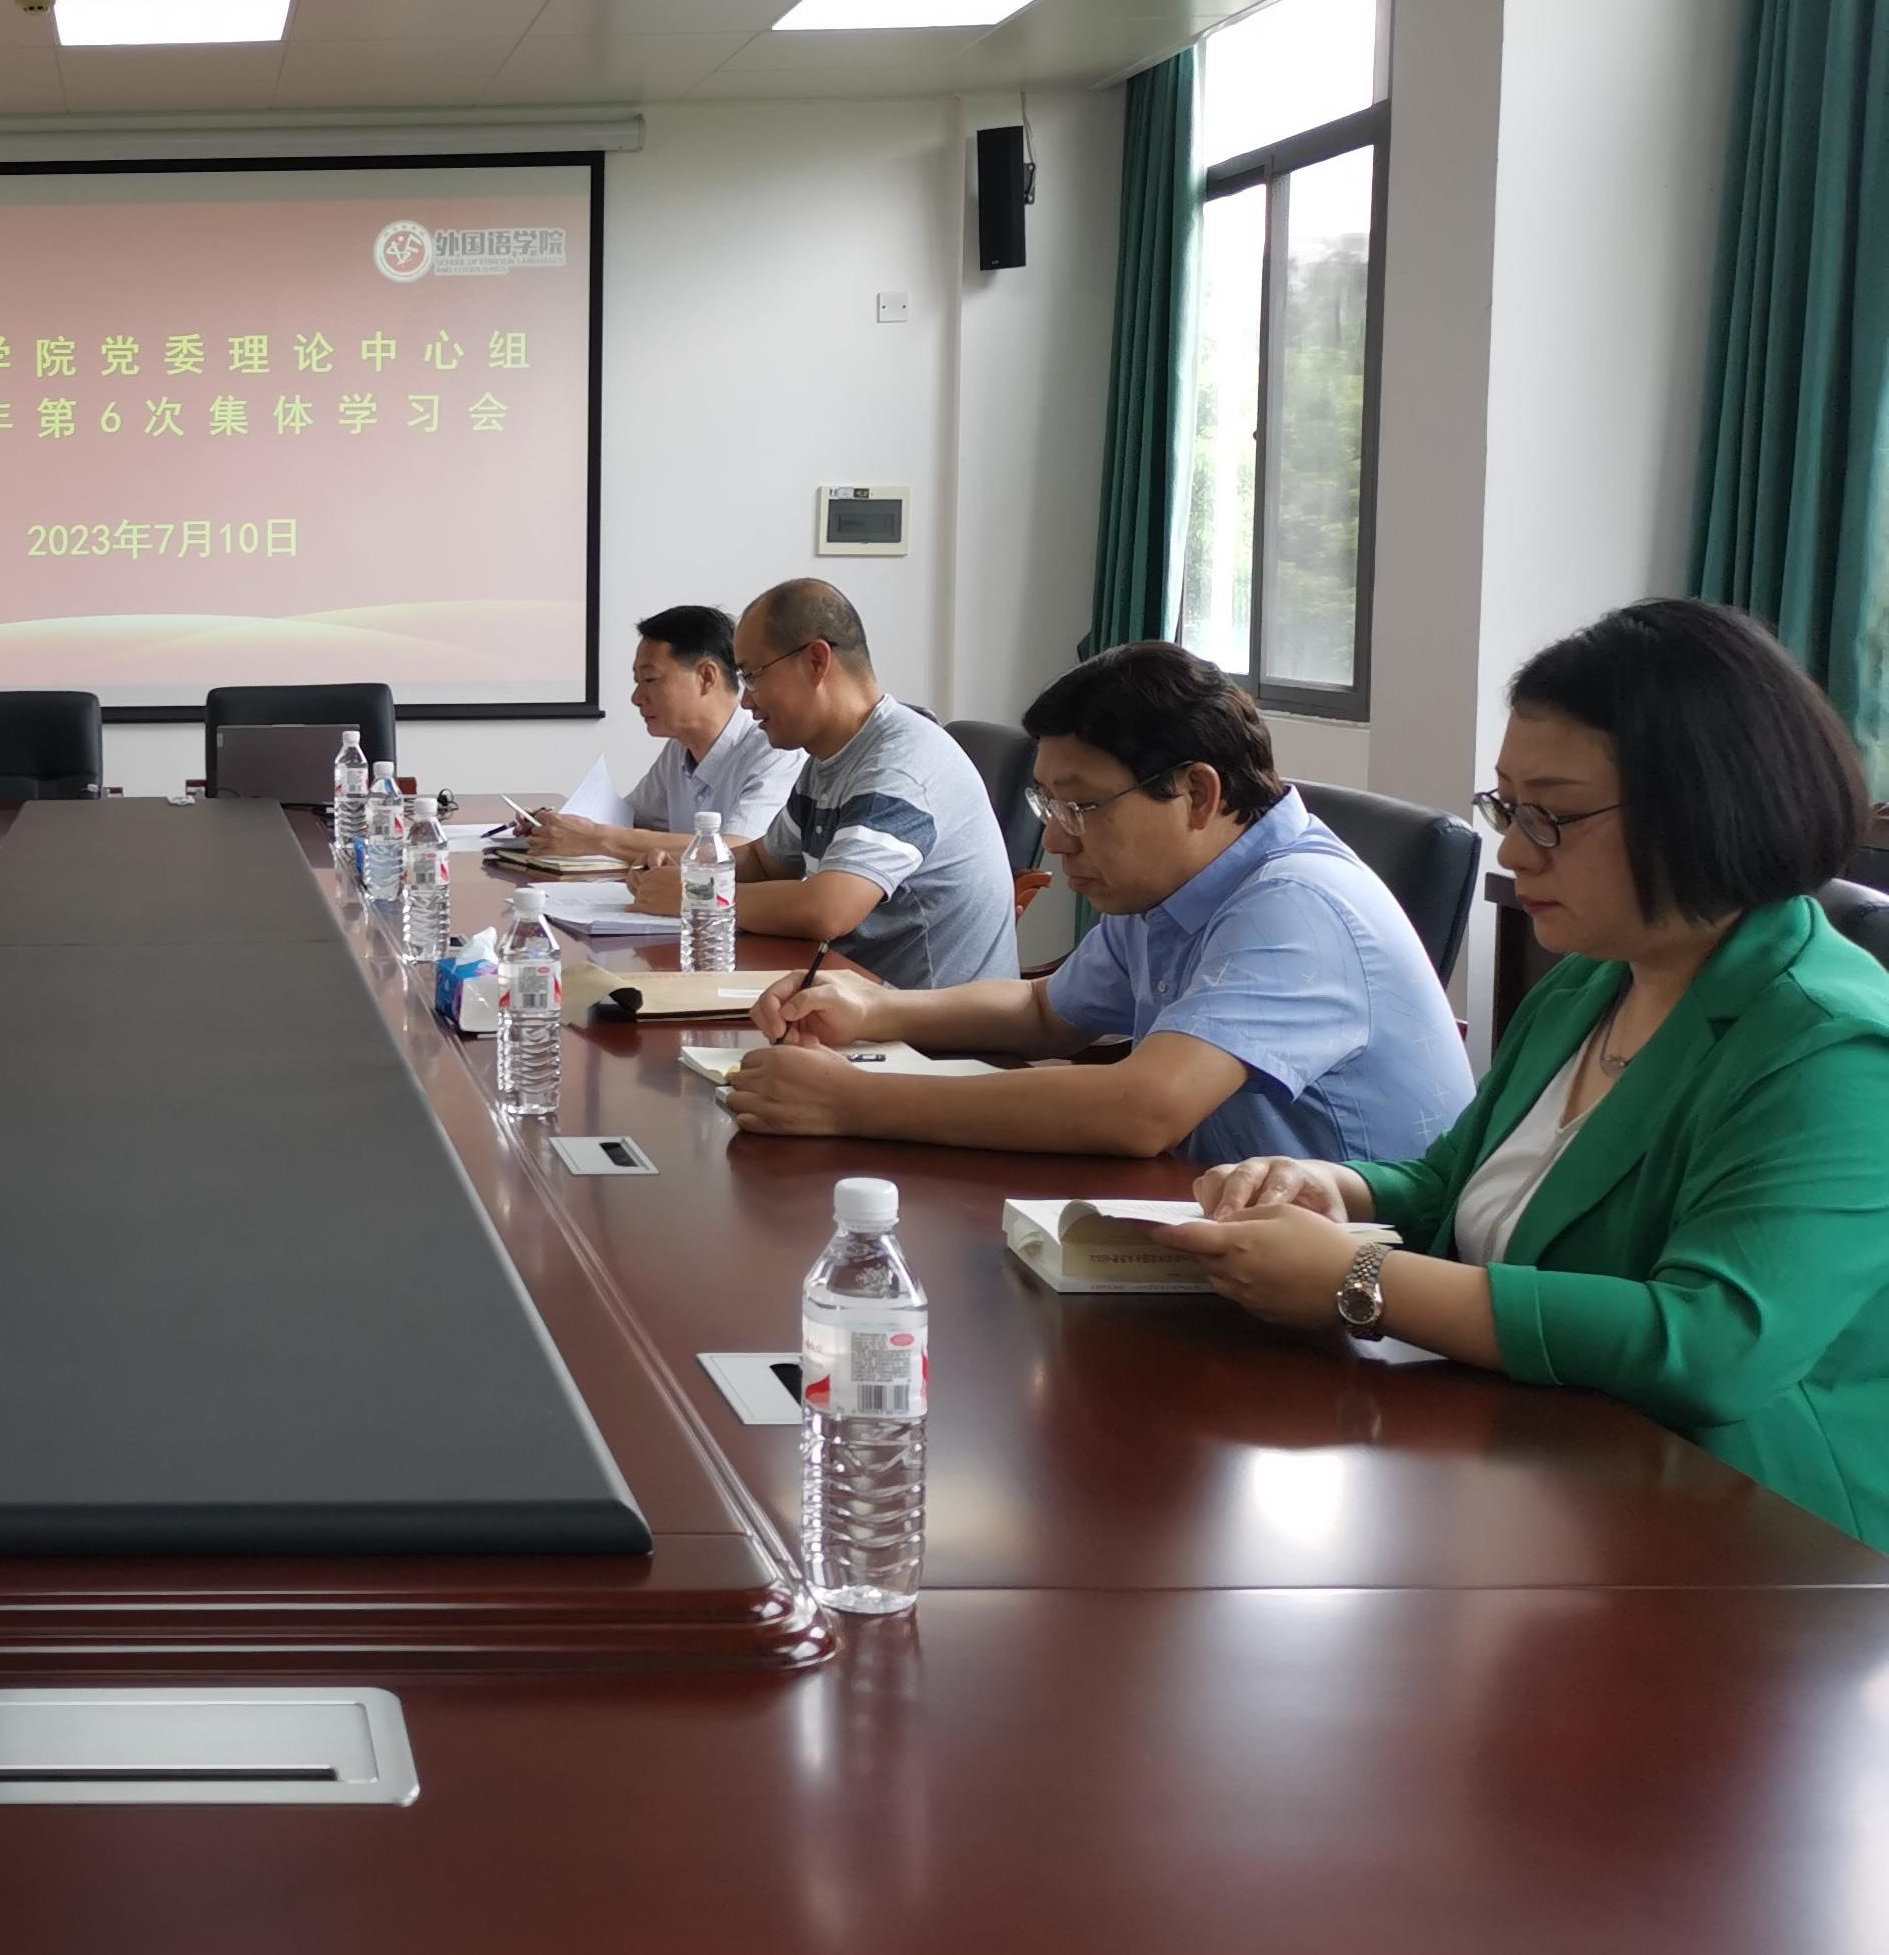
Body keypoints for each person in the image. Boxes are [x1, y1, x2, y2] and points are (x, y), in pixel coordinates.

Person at [1166, 600, 1889, 1545]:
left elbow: (1713, 1344)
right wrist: (1331, 1189)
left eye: (1552, 816)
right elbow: (1452, 1184)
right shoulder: (1592, 980)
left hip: (1748, 1538)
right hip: (1545, 1475)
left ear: (1709, 806)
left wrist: (1363, 1277)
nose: (1511, 849)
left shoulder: (1832, 1045)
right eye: (1507, 807)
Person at [719, 641, 1465, 1164]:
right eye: (1049, 805)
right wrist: (876, 1008)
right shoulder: (1169, 886)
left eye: (1081, 807)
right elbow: (1047, 1013)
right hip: (1217, 1225)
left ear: (1197, 793)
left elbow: (1143, 1108)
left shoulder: (1297, 906)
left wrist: (850, 1102)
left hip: (1353, 1301)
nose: (1057, 840)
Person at [645, 578, 1016, 990]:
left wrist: (696, 894)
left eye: (753, 676)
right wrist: (694, 868)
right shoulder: (828, 759)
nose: (746, 700)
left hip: (929, 1021)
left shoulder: (899, 764)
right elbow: (766, 862)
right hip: (858, 995)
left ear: (816, 662)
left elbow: (828, 909)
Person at [524, 602, 800, 867]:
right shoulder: (679, 749)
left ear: (706, 677)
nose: (636, 698)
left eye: (650, 680)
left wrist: (597, 839)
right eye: (637, 682)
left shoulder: (774, 750)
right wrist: (556, 826)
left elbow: (739, 851)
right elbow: (629, 821)